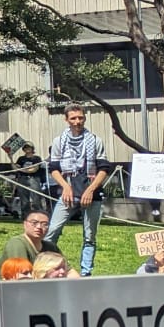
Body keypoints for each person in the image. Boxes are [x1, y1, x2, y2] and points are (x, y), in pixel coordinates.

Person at [43, 103, 109, 277]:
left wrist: (90, 190)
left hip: (91, 192)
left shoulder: (95, 140)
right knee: (51, 232)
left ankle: (86, 272)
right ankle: (51, 267)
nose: (77, 121)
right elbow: (54, 168)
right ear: (66, 120)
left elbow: (104, 169)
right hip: (69, 191)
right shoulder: (59, 141)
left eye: (80, 118)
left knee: (89, 236)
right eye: (73, 118)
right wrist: (65, 186)